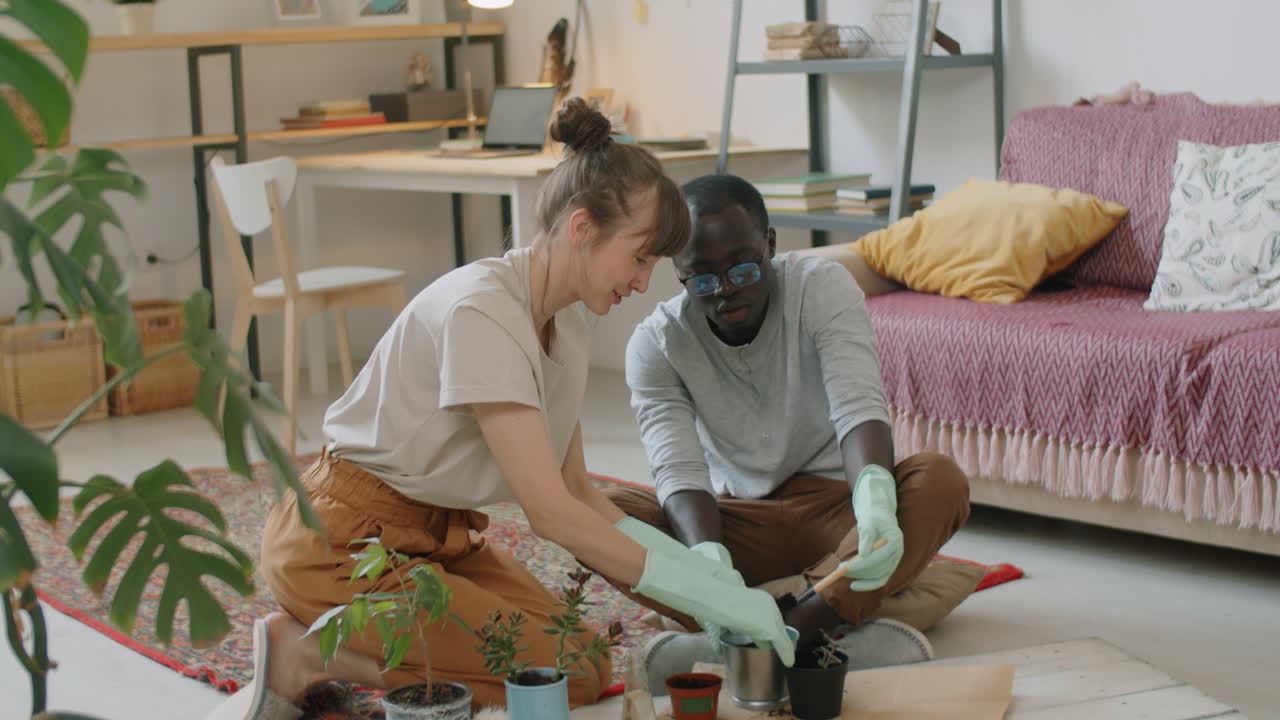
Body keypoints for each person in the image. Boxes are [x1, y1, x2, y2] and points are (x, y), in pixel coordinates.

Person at [207, 103, 797, 720]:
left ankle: (337, 644)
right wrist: (712, 598)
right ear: (582, 227)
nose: (644, 282)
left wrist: (709, 587)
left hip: (436, 539)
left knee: (583, 660)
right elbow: (550, 513)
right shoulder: (482, 312)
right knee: (562, 677)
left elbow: (579, 495)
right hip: (343, 545)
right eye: (640, 257)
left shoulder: (568, 321)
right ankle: (306, 654)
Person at [608, 174, 972, 683]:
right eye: (703, 279)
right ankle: (822, 625)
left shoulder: (820, 287)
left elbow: (857, 406)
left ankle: (771, 636)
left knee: (939, 480)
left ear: (771, 245)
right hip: (738, 522)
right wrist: (709, 565)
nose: (727, 290)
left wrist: (874, 504)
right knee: (604, 514)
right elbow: (678, 471)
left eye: (743, 268)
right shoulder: (656, 343)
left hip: (838, 510)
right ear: (679, 271)